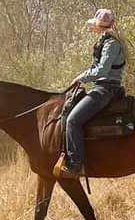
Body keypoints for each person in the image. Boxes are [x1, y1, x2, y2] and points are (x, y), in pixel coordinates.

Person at [53, 9, 127, 179]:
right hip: (102, 87)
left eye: (94, 24)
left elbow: (101, 70)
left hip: (106, 89)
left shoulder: (111, 44)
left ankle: (75, 165)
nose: (92, 28)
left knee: (73, 120)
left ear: (100, 25)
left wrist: (80, 77)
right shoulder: (106, 41)